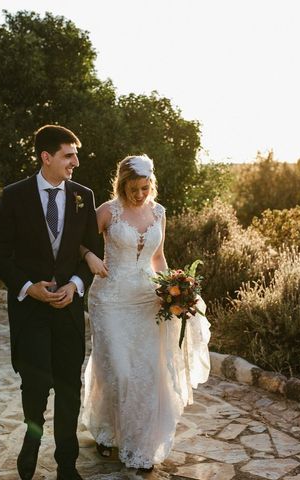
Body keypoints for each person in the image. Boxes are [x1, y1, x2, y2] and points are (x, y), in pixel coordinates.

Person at [80, 154, 211, 472]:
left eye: (145, 188)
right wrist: (89, 257)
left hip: (147, 300)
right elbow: (77, 242)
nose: (140, 194)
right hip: (110, 300)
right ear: (122, 185)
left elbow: (159, 257)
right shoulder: (107, 212)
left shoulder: (159, 212)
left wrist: (171, 288)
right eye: (135, 189)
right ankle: (108, 429)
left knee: (147, 373)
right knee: (118, 370)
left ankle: (141, 443)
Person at [0, 125, 99, 480]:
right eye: (69, 155)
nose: (75, 162)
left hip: (67, 311)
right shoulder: (15, 195)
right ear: (46, 157)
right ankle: (32, 440)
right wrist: (27, 287)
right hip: (30, 311)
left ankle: (67, 465)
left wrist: (77, 285)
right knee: (34, 386)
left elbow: (92, 253)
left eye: (75, 155)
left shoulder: (84, 196)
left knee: (70, 386)